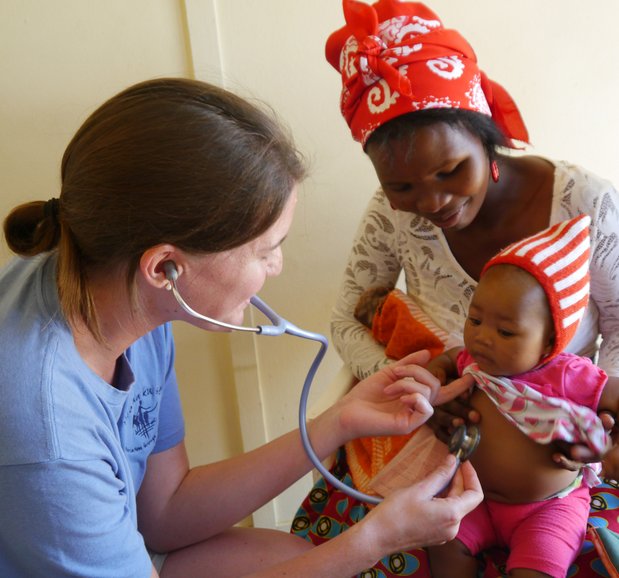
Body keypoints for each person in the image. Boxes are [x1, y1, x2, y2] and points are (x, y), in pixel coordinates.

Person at [0, 77, 484, 578]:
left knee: (294, 558)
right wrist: (375, 540)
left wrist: (336, 423)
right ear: (165, 265)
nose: (275, 267)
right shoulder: (48, 434)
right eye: (264, 250)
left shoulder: (123, 287)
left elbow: (164, 512)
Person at [291, 1, 619, 576]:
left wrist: (597, 431)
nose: (432, 202)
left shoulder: (584, 204)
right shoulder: (390, 216)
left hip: (559, 466)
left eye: (450, 172)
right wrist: (413, 397)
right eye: (402, 185)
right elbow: (346, 318)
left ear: (486, 135)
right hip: (430, 453)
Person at [423, 215, 614, 578]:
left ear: (549, 342)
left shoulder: (568, 374)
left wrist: (610, 446)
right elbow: (448, 359)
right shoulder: (472, 362)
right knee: (442, 541)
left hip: (548, 509)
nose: (482, 338)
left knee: (538, 567)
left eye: (506, 331)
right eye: (475, 320)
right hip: (475, 498)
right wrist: (434, 376)